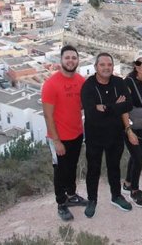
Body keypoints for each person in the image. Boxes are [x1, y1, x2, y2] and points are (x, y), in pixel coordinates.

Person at [81, 53, 133, 218]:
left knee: (114, 167)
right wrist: (116, 106)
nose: (106, 68)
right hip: (94, 137)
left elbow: (129, 104)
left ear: (112, 66)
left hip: (115, 135)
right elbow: (91, 114)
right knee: (93, 170)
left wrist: (106, 108)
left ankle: (116, 196)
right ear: (96, 67)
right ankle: (92, 200)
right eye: (102, 65)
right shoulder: (88, 86)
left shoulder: (118, 82)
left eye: (109, 64)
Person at [41, 45, 87, 221]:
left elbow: (81, 104)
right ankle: (61, 203)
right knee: (60, 171)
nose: (70, 61)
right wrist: (56, 141)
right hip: (58, 138)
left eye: (74, 58)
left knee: (71, 167)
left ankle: (72, 194)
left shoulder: (81, 81)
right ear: (61, 60)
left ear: (77, 60)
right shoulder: (51, 84)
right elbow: (48, 115)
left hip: (76, 134)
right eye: (67, 57)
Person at [121, 50, 142, 208]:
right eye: (138, 63)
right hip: (130, 127)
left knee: (135, 157)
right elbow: (124, 109)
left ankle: (127, 184)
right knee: (139, 159)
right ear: (134, 65)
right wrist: (128, 130)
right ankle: (134, 191)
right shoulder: (128, 82)